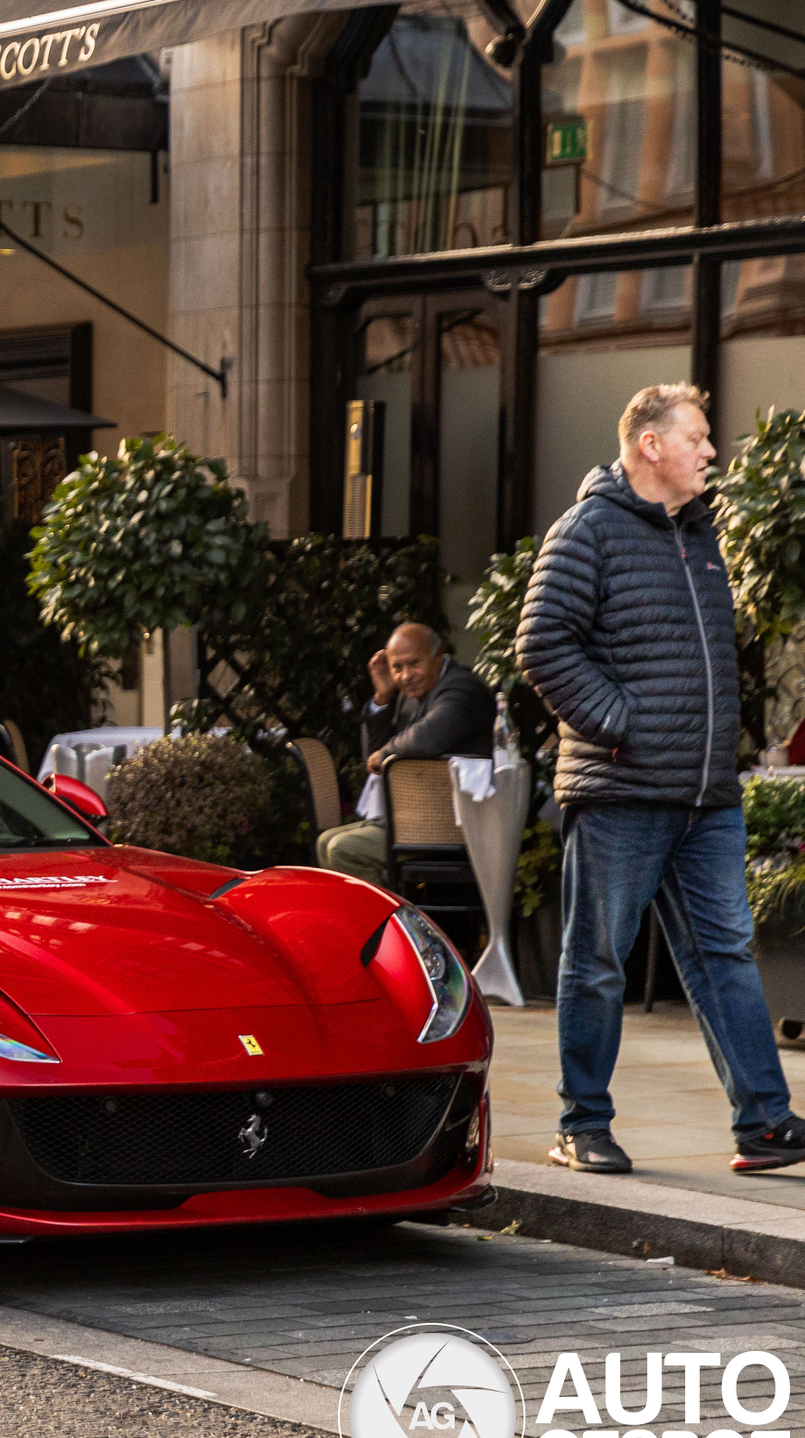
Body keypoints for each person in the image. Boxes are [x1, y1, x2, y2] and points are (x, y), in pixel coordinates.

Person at [519, 381, 805, 1177]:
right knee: (597, 958)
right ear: (650, 445)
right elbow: (542, 644)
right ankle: (582, 1122)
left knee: (727, 952)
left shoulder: (700, 535)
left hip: (705, 794)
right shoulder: (588, 530)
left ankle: (766, 1122)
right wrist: (622, 723)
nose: (713, 451)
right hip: (623, 790)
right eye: (699, 437)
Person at [312, 622, 496, 884]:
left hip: (450, 826)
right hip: (411, 819)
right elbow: (372, 760)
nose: (406, 675)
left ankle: (387, 922)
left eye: (414, 664)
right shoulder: (409, 695)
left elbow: (426, 739)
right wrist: (383, 698)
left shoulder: (462, 688)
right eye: (397, 668)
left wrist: (384, 753)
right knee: (324, 842)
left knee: (342, 849)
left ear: (438, 655)